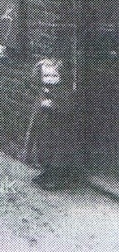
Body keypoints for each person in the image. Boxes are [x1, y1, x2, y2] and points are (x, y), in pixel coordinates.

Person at [24, 58, 79, 190]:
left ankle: (58, 176)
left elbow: (68, 104)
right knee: (43, 144)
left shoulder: (65, 88)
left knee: (58, 147)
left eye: (54, 76)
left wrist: (55, 105)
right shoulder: (43, 85)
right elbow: (33, 89)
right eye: (46, 76)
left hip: (59, 122)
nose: (50, 79)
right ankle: (46, 171)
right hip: (45, 121)